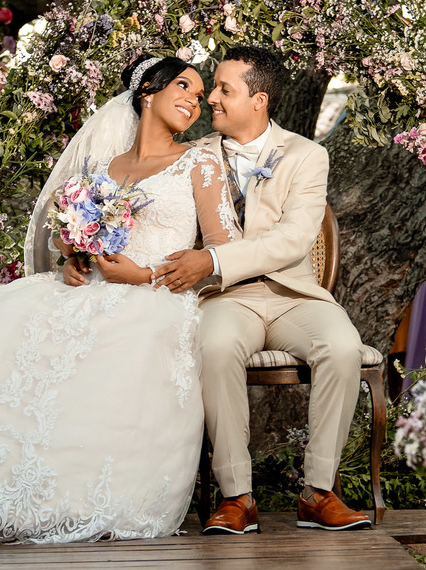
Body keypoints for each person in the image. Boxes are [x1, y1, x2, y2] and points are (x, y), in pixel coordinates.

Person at [0, 55, 235, 544]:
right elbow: (76, 235)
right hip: (86, 291)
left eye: (199, 95)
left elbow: (225, 250)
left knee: (96, 364)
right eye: (183, 86)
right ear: (147, 92)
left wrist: (147, 273)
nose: (194, 100)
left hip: (155, 299)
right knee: (9, 354)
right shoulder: (101, 166)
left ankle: (29, 511)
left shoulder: (200, 161)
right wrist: (75, 258)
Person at [153, 45, 371, 534]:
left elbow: (295, 239)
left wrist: (212, 259)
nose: (211, 98)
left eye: (224, 90)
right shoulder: (194, 155)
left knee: (342, 347)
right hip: (226, 298)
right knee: (213, 345)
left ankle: (318, 493)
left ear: (260, 100)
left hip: (294, 295)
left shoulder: (307, 156)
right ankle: (237, 497)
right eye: (214, 87)